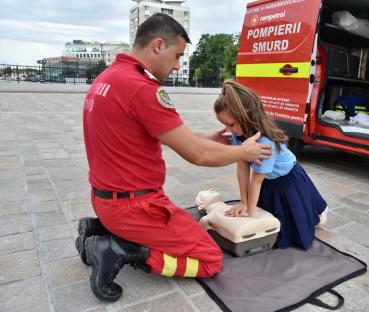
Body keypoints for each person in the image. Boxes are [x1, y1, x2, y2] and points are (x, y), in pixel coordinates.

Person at [78, 13, 272, 302]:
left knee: (186, 231)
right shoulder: (142, 88)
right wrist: (243, 152)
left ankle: (100, 228)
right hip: (137, 207)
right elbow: (198, 155)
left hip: (106, 199)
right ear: (158, 45)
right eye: (178, 55)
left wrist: (208, 139)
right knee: (209, 260)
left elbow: (159, 134)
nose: (178, 64)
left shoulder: (108, 78)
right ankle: (120, 249)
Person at [214, 80, 329, 250]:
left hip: (288, 181)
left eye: (230, 124)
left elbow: (256, 180)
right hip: (268, 181)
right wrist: (244, 202)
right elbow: (242, 167)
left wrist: (249, 212)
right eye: (224, 125)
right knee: (270, 216)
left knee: (292, 228)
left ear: (246, 114)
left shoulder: (265, 143)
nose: (228, 130)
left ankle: (318, 213)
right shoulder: (238, 135)